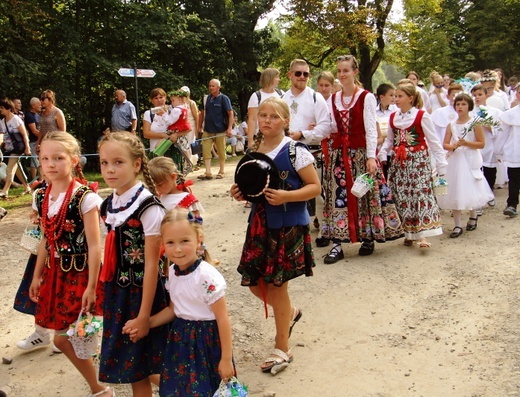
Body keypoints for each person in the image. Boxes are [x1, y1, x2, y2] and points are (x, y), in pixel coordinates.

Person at [230, 97, 321, 374]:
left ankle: (283, 346)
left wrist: (286, 196)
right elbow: (252, 188)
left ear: (285, 121)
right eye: (263, 115)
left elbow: (314, 187)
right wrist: (239, 193)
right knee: (256, 284)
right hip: (259, 224)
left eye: (273, 116)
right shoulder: (253, 149)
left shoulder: (296, 151)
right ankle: (289, 313)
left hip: (287, 225)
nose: (267, 120)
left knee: (277, 286)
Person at [28, 131, 108, 396]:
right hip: (56, 275)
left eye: (58, 158)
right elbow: (45, 240)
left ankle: (103, 386)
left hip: (82, 275)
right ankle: (99, 387)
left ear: (74, 160)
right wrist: (37, 275)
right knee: (65, 338)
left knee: (70, 337)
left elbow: (96, 245)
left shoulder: (84, 197)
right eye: (45, 158)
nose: (51, 164)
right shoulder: (41, 196)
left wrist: (93, 286)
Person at [124, 208, 234, 395]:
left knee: (206, 390)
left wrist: (226, 359)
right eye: (170, 242)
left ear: (198, 239)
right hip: (181, 341)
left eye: (184, 241)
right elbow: (175, 309)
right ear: (163, 244)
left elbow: (223, 319)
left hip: (206, 343)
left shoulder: (206, 276)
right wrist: (145, 323)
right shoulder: (173, 272)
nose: (177, 249)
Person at [97, 132, 169, 396]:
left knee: (148, 364)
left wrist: (144, 317)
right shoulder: (109, 204)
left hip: (143, 295)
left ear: (137, 164)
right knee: (134, 367)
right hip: (119, 294)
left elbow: (152, 265)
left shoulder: (148, 207)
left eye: (118, 162)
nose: (109, 169)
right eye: (104, 163)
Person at [320, 55, 403, 262]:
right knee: (338, 194)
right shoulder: (333, 98)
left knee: (364, 193)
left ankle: (368, 237)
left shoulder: (365, 97)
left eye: (345, 71)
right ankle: (337, 243)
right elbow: (332, 126)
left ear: (355, 72)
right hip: (340, 154)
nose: (341, 74)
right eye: (339, 71)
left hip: (359, 153)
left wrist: (371, 156)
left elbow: (370, 128)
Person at [379, 81, 447, 248]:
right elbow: (389, 139)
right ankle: (408, 233)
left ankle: (422, 236)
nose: (396, 99)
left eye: (399, 96)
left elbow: (433, 141)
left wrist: (441, 163)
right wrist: (382, 153)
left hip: (418, 162)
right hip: (399, 163)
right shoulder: (393, 117)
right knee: (401, 196)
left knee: (420, 195)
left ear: (410, 98)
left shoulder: (421, 115)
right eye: (395, 96)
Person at [436, 93, 494, 237]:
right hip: (455, 160)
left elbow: (481, 143)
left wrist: (466, 143)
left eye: (463, 104)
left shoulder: (475, 123)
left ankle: (473, 215)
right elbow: (444, 144)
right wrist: (453, 146)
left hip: (469, 158)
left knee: (469, 188)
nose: (460, 107)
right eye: (458, 104)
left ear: (469, 106)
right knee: (455, 188)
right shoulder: (452, 125)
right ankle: (457, 224)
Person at [471, 84, 503, 207]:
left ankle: (489, 193)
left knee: (489, 170)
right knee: (476, 172)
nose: (477, 98)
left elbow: (499, 129)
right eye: (474, 96)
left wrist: (487, 125)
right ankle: (478, 196)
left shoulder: (495, 112)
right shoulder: (470, 111)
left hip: (489, 145)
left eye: (480, 95)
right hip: (475, 145)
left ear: (486, 95)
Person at [197, 79, 233, 180]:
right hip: (207, 130)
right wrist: (199, 126)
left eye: (213, 86)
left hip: (220, 130)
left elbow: (230, 113)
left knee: (221, 151)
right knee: (206, 151)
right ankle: (208, 172)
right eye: (210, 86)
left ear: (218, 87)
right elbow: (202, 114)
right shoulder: (205, 99)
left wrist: (229, 128)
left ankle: (221, 171)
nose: (211, 88)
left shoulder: (224, 98)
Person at [495, 87, 520, 217]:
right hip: (515, 150)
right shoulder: (510, 114)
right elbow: (502, 134)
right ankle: (512, 204)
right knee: (514, 178)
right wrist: (498, 151)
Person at [0, 98, 31, 198]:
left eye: (2, 108)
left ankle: (5, 190)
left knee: (9, 169)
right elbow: (2, 136)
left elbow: (24, 134)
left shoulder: (16, 119)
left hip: (18, 148)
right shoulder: (2, 121)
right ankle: (27, 187)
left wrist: (27, 148)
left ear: (9, 109)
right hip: (10, 148)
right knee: (16, 168)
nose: (0, 109)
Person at [246, 68, 284, 147]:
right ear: (270, 78)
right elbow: (252, 119)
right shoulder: (256, 96)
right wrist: (250, 140)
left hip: (280, 137)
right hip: (262, 137)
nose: (279, 79)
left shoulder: (281, 94)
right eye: (276, 77)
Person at [180, 86, 200, 165]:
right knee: (184, 145)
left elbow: (196, 117)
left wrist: (197, 129)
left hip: (191, 127)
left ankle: (192, 162)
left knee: (189, 145)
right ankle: (187, 163)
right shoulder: (180, 103)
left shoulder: (192, 103)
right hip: (183, 128)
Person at [24, 97, 42, 182]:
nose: (40, 105)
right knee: (34, 161)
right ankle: (34, 180)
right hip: (34, 141)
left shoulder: (38, 115)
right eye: (38, 104)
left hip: (41, 140)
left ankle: (42, 180)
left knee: (41, 161)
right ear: (33, 105)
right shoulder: (29, 115)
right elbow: (34, 131)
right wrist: (46, 136)